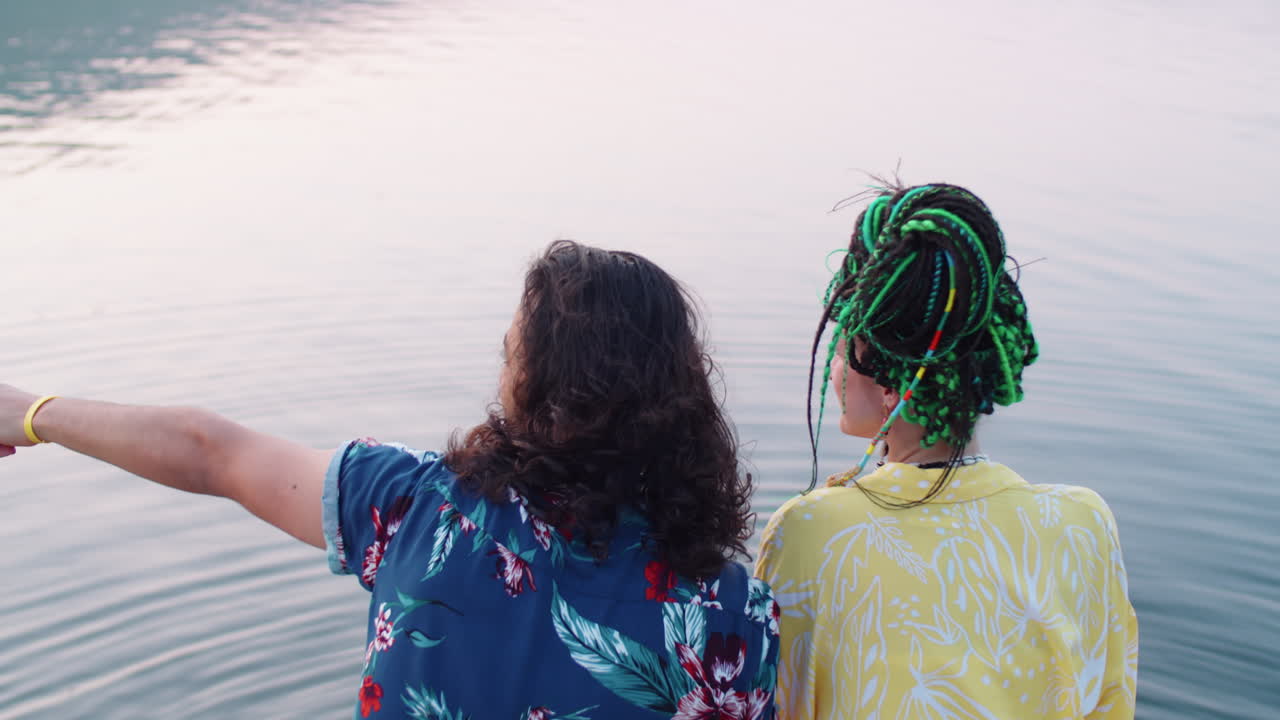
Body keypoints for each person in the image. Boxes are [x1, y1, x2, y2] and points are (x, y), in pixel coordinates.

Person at [1, 240, 780, 720]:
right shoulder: (728, 614)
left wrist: (33, 412)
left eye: (511, 349)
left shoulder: (413, 509)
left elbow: (210, 451)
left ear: (534, 381)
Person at [754, 183, 1138, 719]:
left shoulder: (814, 531)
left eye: (844, 343)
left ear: (888, 380)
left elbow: (773, 704)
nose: (834, 364)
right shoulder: (1084, 525)